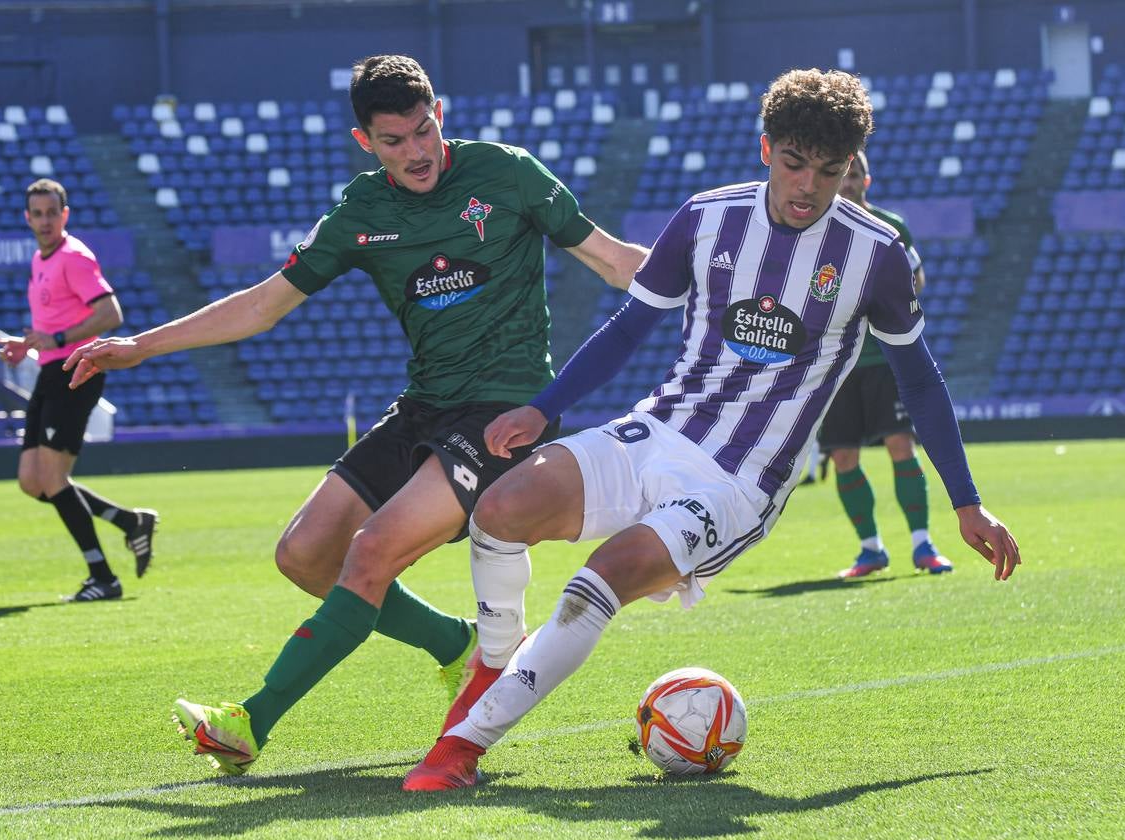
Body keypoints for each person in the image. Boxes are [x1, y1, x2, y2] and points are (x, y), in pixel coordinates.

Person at [401, 68, 1021, 792]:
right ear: (766, 150)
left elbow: (919, 378)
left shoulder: (874, 253)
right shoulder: (706, 218)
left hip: (741, 480)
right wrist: (545, 406)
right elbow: (630, 326)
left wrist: (965, 501)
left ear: (848, 168)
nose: (805, 187)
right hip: (659, 428)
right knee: (501, 509)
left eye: (826, 172)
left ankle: (458, 750)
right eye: (793, 163)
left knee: (601, 578)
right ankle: (494, 662)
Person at [65, 55, 646, 776]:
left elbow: (616, 261)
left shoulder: (508, 174)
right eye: (393, 141)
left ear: (440, 115)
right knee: (304, 554)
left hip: (505, 410)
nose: (415, 152)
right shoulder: (361, 212)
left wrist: (716, 281)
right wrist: (140, 346)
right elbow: (261, 305)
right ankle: (456, 646)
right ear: (363, 140)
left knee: (371, 550)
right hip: (423, 405)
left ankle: (250, 722)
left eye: (422, 131)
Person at [0, 178, 158, 602]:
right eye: (38, 214)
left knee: (53, 478)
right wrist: (25, 343)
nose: (45, 220)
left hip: (76, 372)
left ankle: (103, 577)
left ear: (64, 215)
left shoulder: (74, 257)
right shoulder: (40, 259)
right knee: (33, 482)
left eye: (53, 213)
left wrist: (62, 337)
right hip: (51, 372)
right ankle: (128, 522)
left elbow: (110, 314)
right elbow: (51, 327)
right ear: (27, 218)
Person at [818, 149, 949, 579]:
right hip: (836, 364)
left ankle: (922, 544)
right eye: (844, 175)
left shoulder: (891, 227)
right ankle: (870, 548)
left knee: (900, 445)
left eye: (856, 175)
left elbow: (918, 280)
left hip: (883, 358)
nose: (850, 182)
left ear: (866, 181)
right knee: (842, 456)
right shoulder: (815, 229)